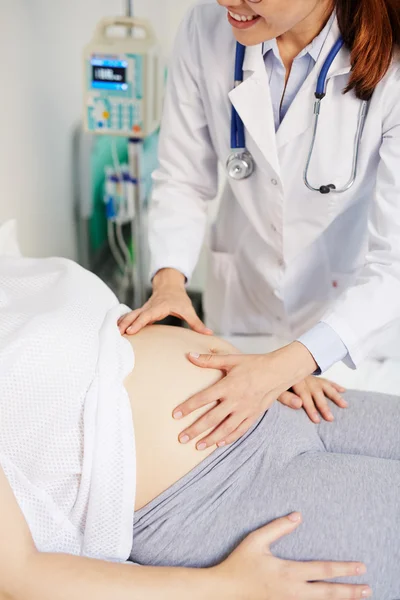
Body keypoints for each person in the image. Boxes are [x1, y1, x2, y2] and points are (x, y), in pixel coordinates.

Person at [1, 250, 399, 599]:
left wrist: (277, 367)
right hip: (215, 495)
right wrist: (228, 587)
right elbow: (17, 577)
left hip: (276, 396)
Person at [118, 0, 400, 451]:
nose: (228, 1)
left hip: (354, 328)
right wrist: (168, 281)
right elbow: (183, 179)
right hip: (243, 320)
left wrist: (292, 363)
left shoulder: (392, 61)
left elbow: (395, 266)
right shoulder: (205, 29)